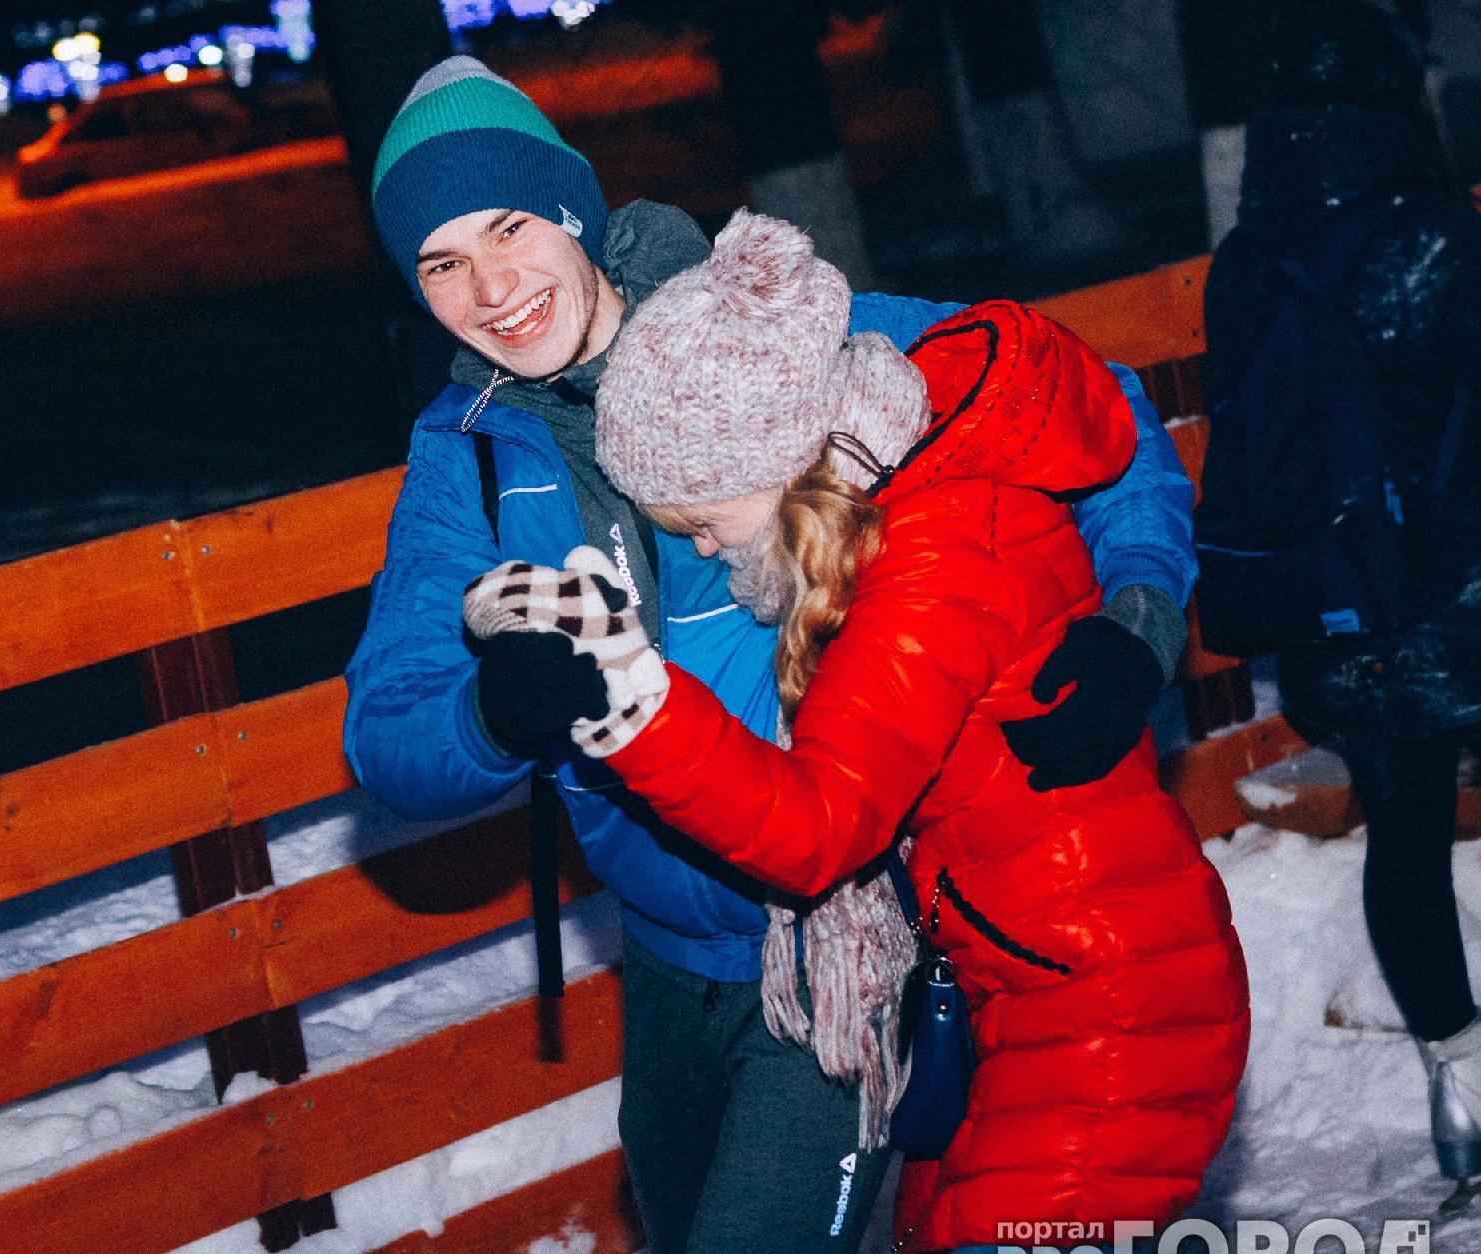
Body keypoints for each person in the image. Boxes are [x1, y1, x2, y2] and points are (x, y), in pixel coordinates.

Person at [344, 56, 1200, 1253]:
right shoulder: (469, 454)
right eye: (440, 263)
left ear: (572, 214)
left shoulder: (755, 333)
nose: (491, 289)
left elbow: (1069, 396)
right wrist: (494, 715)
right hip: (658, 954)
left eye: (508, 229)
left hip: (836, 948)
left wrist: (1138, 616)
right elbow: (385, 734)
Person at [1203, 0, 1481, 1186]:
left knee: (1406, 835)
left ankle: (1459, 1085)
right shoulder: (1433, 232)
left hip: (1339, 609)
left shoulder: (1244, 259)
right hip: (1459, 596)